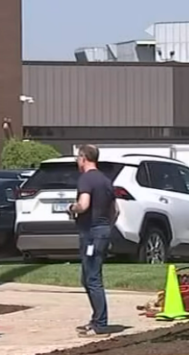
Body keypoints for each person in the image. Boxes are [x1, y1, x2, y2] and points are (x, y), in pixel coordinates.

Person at [68, 144, 118, 338]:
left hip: (91, 234)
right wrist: (107, 227)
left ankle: (101, 324)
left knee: (93, 279)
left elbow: (84, 205)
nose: (77, 162)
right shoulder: (106, 181)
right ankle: (97, 319)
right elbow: (116, 210)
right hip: (102, 232)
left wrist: (72, 208)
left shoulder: (86, 179)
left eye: (77, 158)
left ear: (83, 158)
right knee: (88, 277)